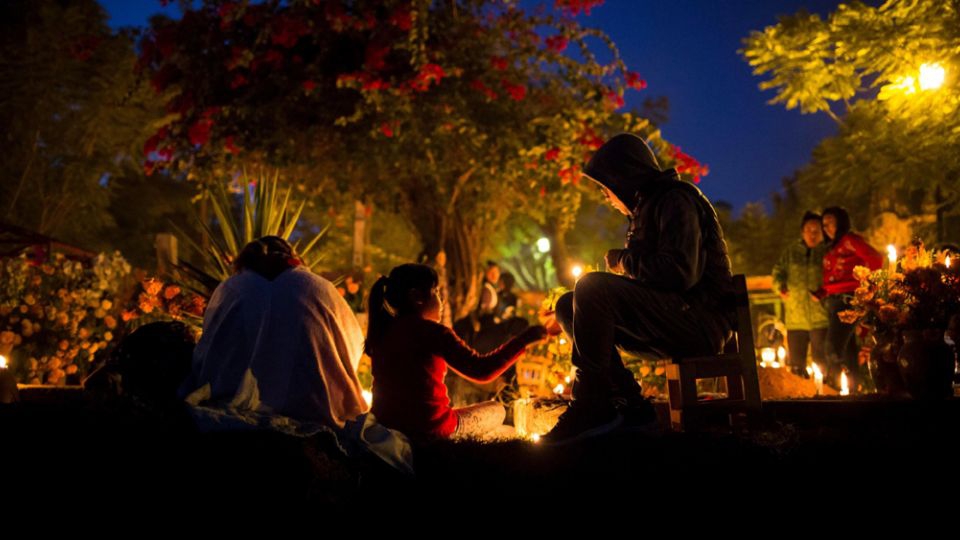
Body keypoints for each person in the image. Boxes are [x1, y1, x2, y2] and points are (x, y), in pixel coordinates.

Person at [543, 133, 736, 445]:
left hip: (699, 321)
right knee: (569, 304)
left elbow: (679, 273)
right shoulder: (645, 210)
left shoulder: (676, 200)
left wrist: (624, 261)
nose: (606, 197)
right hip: (671, 316)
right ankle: (631, 407)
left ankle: (589, 405)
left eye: (606, 188)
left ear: (623, 178)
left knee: (592, 287)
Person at [180, 236, 368, 429]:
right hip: (316, 407)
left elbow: (209, 349)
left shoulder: (231, 288)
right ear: (294, 257)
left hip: (230, 397)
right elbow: (353, 344)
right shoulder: (320, 288)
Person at [365, 263, 547, 441]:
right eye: (436, 291)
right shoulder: (434, 332)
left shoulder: (382, 330)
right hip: (430, 428)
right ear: (417, 297)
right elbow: (482, 370)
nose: (442, 300)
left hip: (386, 423)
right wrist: (526, 339)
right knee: (497, 409)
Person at [817, 207, 882, 393]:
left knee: (832, 347)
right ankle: (853, 392)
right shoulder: (833, 247)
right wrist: (822, 292)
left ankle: (835, 389)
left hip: (847, 300)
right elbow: (836, 277)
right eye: (824, 224)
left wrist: (868, 284)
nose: (827, 227)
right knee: (848, 350)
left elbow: (875, 258)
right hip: (834, 300)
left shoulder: (849, 240)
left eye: (830, 222)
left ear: (841, 222)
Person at [772, 211, 829, 378]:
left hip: (821, 317)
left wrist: (824, 291)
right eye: (808, 230)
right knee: (797, 366)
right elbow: (777, 272)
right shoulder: (790, 253)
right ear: (802, 231)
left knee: (822, 363)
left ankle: (826, 397)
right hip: (795, 318)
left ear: (822, 232)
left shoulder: (827, 252)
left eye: (816, 230)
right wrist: (780, 287)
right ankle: (800, 399)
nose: (812, 234)